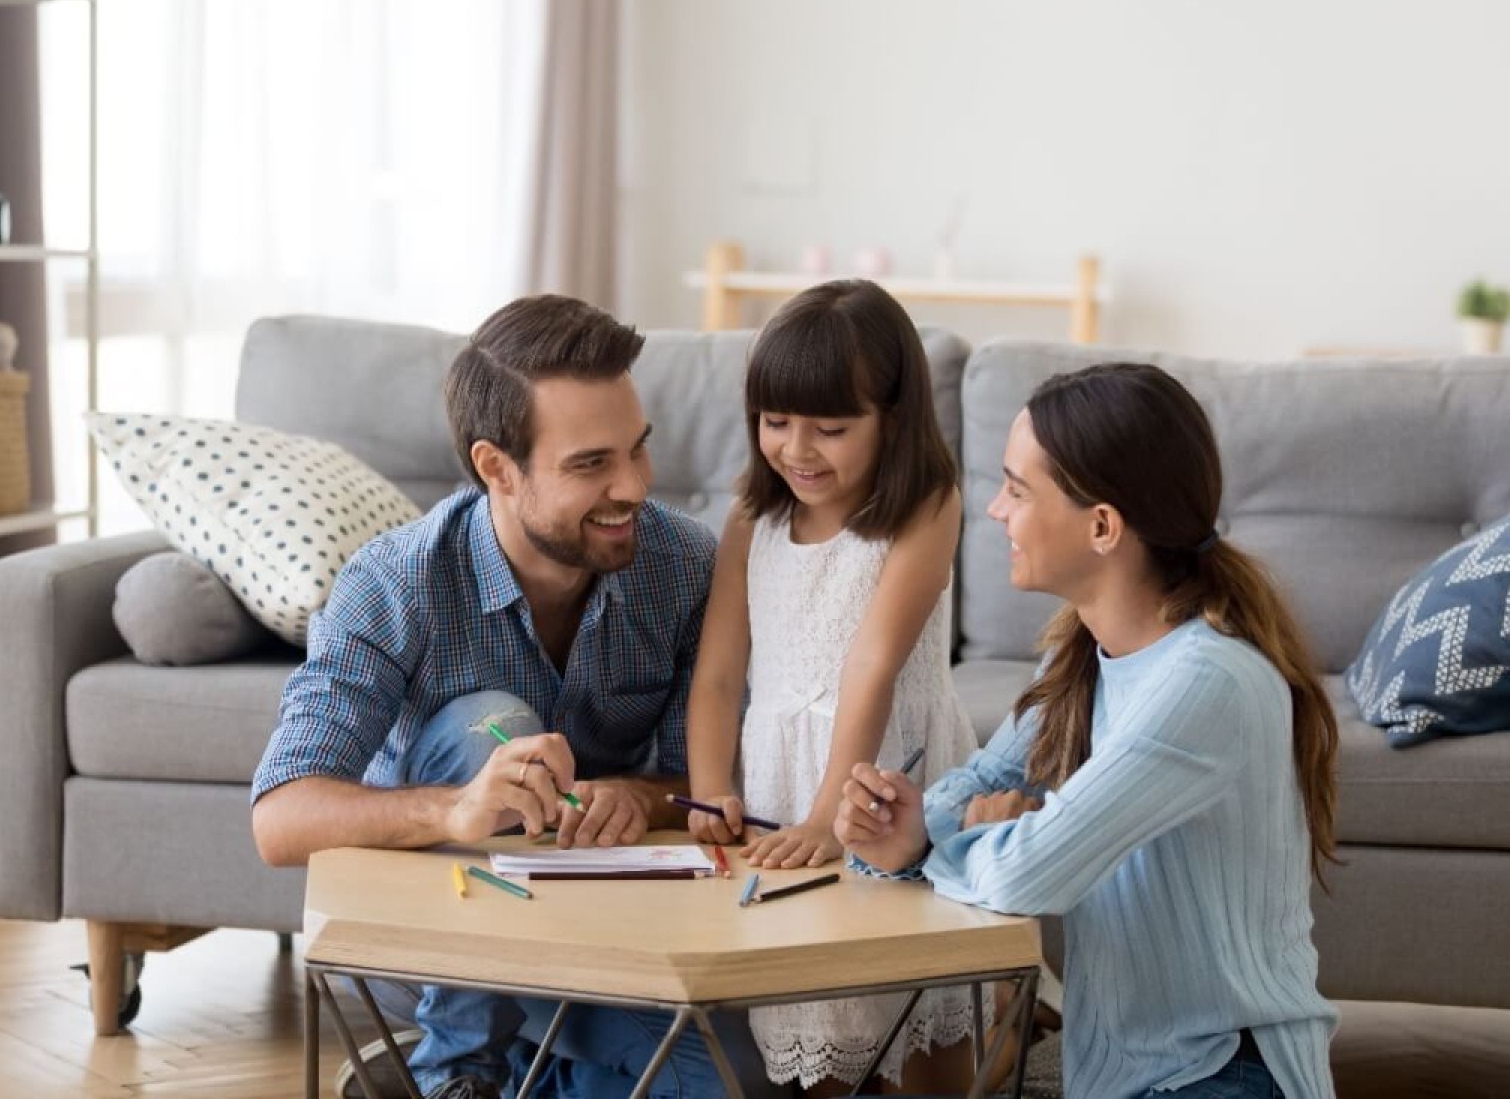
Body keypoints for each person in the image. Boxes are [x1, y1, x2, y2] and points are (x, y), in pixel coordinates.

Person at [251, 295, 768, 1099]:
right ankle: (458, 1076)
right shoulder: (395, 583)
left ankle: (529, 1070)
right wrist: (453, 811)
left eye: (638, 450)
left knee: (733, 1076)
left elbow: (695, 786)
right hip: (441, 940)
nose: (633, 485)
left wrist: (633, 797)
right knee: (494, 726)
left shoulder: (682, 566)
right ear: (497, 467)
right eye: (591, 464)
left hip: (598, 932)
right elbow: (280, 818)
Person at [836, 362, 1341, 1099]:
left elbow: (1025, 873)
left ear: (1103, 525)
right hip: (1122, 1072)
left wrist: (926, 841)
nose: (995, 511)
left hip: (1223, 1072)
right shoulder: (1087, 655)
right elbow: (975, 786)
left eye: (1017, 489)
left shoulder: (1205, 682)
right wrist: (911, 827)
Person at [684, 280, 980, 1095]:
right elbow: (716, 675)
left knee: (923, 1007)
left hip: (886, 775)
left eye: (832, 428)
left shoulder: (926, 503)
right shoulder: (753, 517)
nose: (798, 449)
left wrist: (828, 814)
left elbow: (872, 661)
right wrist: (711, 793)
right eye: (776, 423)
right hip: (783, 777)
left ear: (895, 418)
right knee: (821, 1018)